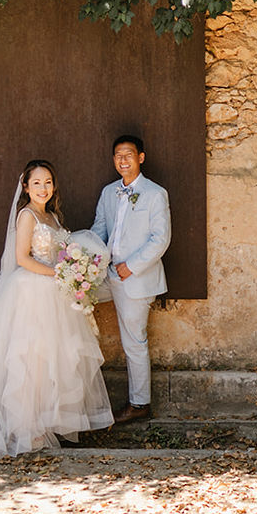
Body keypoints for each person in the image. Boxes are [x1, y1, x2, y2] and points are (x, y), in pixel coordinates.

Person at [0, 159, 114, 461]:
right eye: (37, 183)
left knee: (50, 359)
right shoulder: (27, 216)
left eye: (48, 182)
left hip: (55, 293)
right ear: (26, 187)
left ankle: (41, 421)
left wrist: (71, 269)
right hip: (31, 291)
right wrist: (57, 273)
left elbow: (60, 253)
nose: (43, 188)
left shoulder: (51, 216)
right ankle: (24, 426)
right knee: (28, 358)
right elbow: (22, 258)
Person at [92, 135, 171, 424]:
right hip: (107, 275)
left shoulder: (155, 193)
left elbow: (160, 239)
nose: (122, 160)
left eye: (128, 155)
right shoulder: (108, 192)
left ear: (141, 157)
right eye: (117, 155)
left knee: (134, 341)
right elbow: (99, 229)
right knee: (71, 299)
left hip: (136, 278)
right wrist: (86, 262)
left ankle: (140, 404)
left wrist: (131, 266)